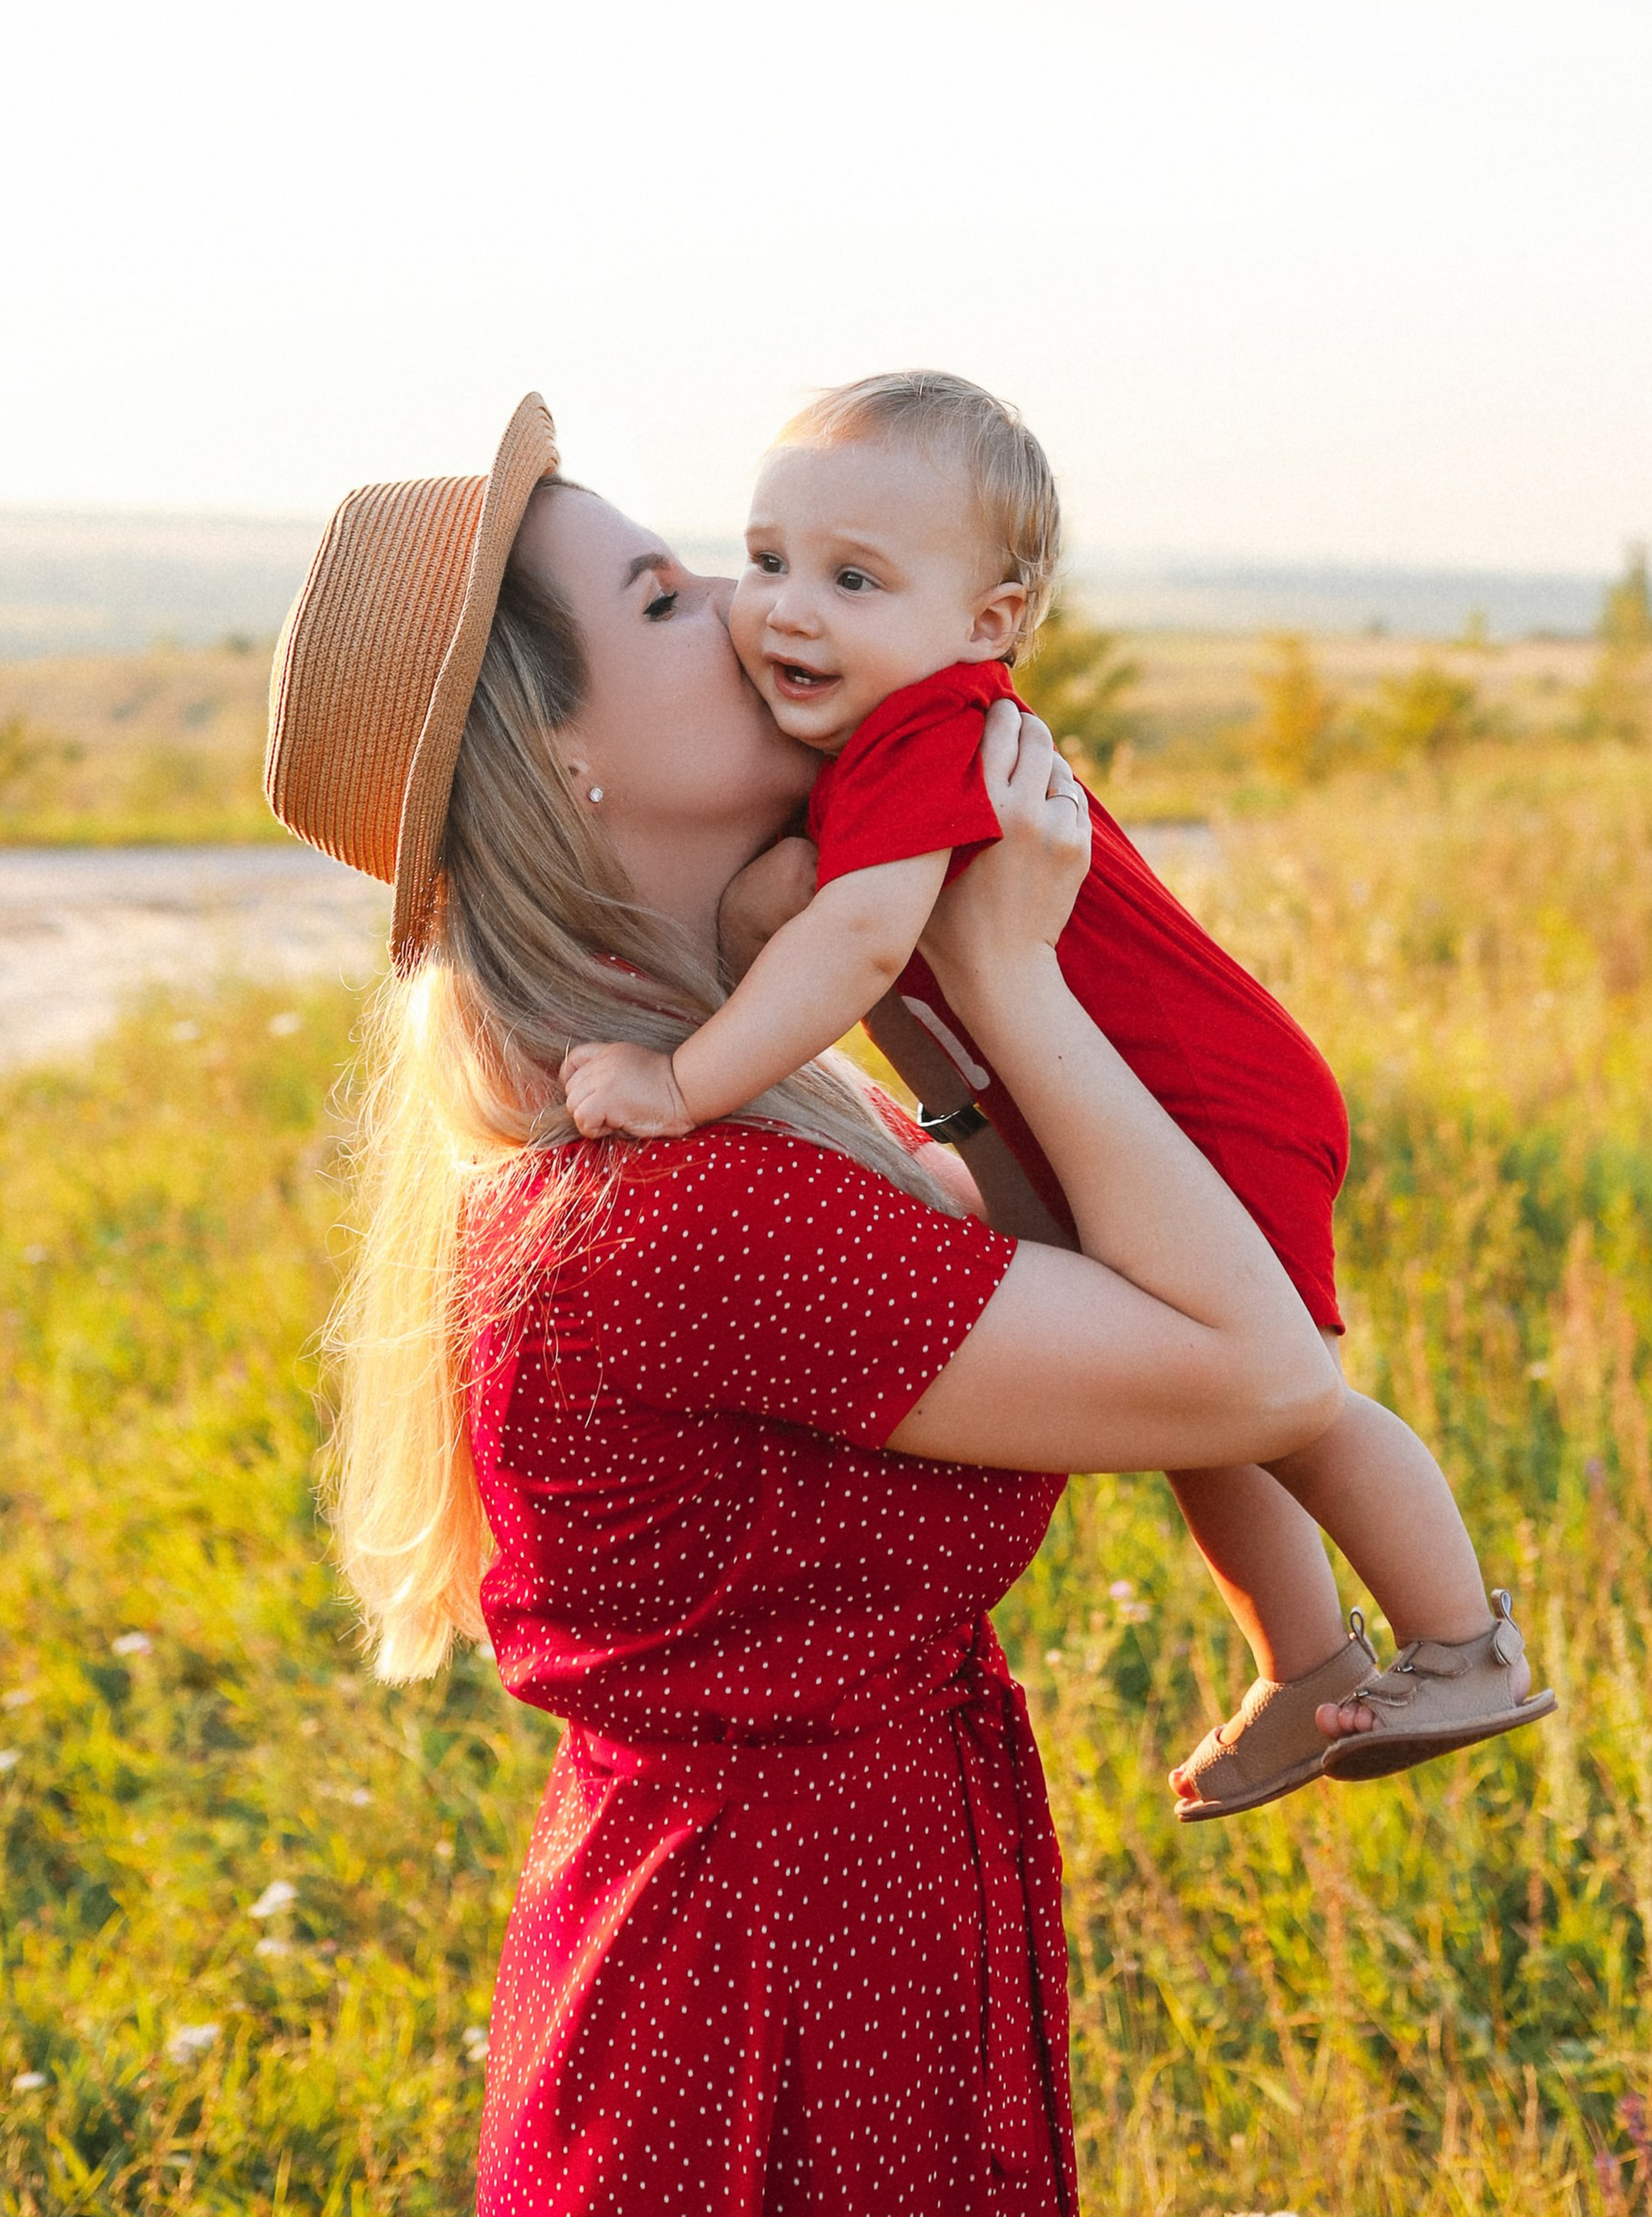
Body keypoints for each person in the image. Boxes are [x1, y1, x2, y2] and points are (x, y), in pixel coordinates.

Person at [264, 393, 1343, 2217]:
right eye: (668, 600)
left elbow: (1081, 1272)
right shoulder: (690, 1207)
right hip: (770, 2020)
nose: (745, 601)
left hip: (798, 1957)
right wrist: (1018, 985)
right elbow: (1255, 1373)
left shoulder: (745, 1100)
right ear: (563, 759)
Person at [556, 370, 1555, 1816]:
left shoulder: (927, 731)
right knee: (1202, 1413)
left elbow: (860, 935)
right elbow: (804, 899)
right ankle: (1305, 1667)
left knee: (1287, 1397)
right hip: (1096, 1100)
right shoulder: (878, 734)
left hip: (1195, 1095)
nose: (788, 608)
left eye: (855, 578)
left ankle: (1465, 1643)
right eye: (767, 562)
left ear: (990, 624)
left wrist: (680, 1079)